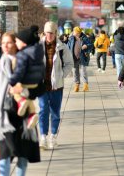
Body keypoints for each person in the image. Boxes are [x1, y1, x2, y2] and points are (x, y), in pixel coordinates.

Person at [0, 32, 41, 176]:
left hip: (23, 116)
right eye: (3, 43)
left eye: (9, 42)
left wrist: (25, 89)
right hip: (4, 118)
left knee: (22, 155)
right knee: (5, 154)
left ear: (16, 43)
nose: (5, 46)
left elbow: (39, 88)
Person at [39, 21, 73, 149]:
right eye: (47, 33)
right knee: (42, 110)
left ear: (56, 33)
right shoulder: (37, 46)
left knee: (55, 112)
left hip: (56, 86)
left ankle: (53, 136)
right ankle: (43, 137)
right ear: (44, 33)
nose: (49, 36)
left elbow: (69, 63)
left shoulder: (62, 47)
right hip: (42, 85)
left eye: (52, 33)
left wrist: (61, 75)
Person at [9, 26, 45, 129]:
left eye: (17, 41)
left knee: (16, 92)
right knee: (29, 99)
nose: (16, 43)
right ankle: (32, 115)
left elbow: (19, 71)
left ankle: (21, 102)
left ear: (24, 42)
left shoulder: (22, 54)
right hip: (35, 83)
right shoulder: (38, 52)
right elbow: (42, 68)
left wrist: (11, 81)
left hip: (26, 82)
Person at [67, 26, 93, 92]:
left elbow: (91, 45)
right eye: (74, 32)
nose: (75, 33)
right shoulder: (71, 38)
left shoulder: (84, 38)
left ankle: (85, 85)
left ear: (79, 33)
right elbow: (68, 47)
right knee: (75, 72)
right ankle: (77, 85)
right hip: (74, 58)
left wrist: (86, 46)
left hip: (82, 57)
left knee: (83, 71)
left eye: (76, 32)